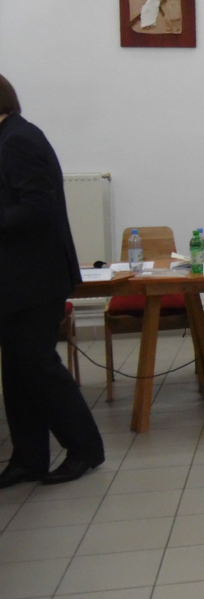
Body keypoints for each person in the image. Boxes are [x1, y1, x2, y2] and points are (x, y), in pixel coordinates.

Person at [0, 74, 104, 488]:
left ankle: (85, 448)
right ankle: (28, 458)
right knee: (18, 372)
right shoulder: (11, 137)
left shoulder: (17, 141)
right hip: (18, 279)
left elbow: (37, 207)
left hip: (34, 278)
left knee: (39, 368)